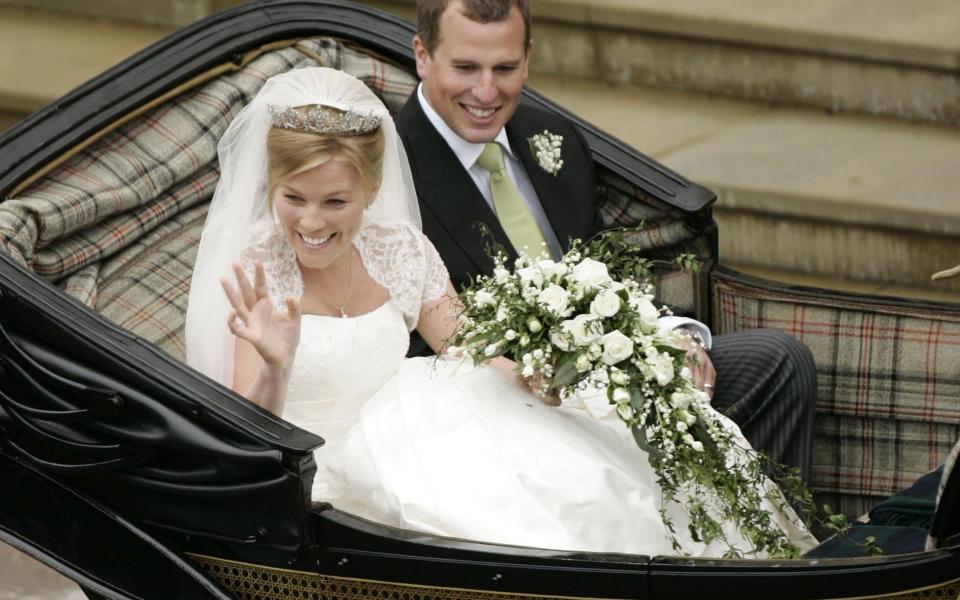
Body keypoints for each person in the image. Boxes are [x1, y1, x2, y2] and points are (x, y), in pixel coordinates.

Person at [184, 66, 816, 557]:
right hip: (339, 466)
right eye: (293, 198)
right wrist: (275, 360)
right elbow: (253, 442)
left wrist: (533, 373)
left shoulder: (400, 247)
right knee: (515, 521)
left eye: (335, 201)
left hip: (426, 418)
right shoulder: (255, 270)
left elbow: (464, 345)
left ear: (371, 192)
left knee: (593, 469)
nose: (312, 222)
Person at [396, 0, 818, 483]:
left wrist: (670, 335)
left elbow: (607, 271)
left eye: (506, 68)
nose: (487, 91)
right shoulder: (392, 169)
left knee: (779, 361)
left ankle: (769, 553)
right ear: (422, 54)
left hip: (611, 362)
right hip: (503, 402)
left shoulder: (553, 136)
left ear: (528, 57)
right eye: (466, 67)